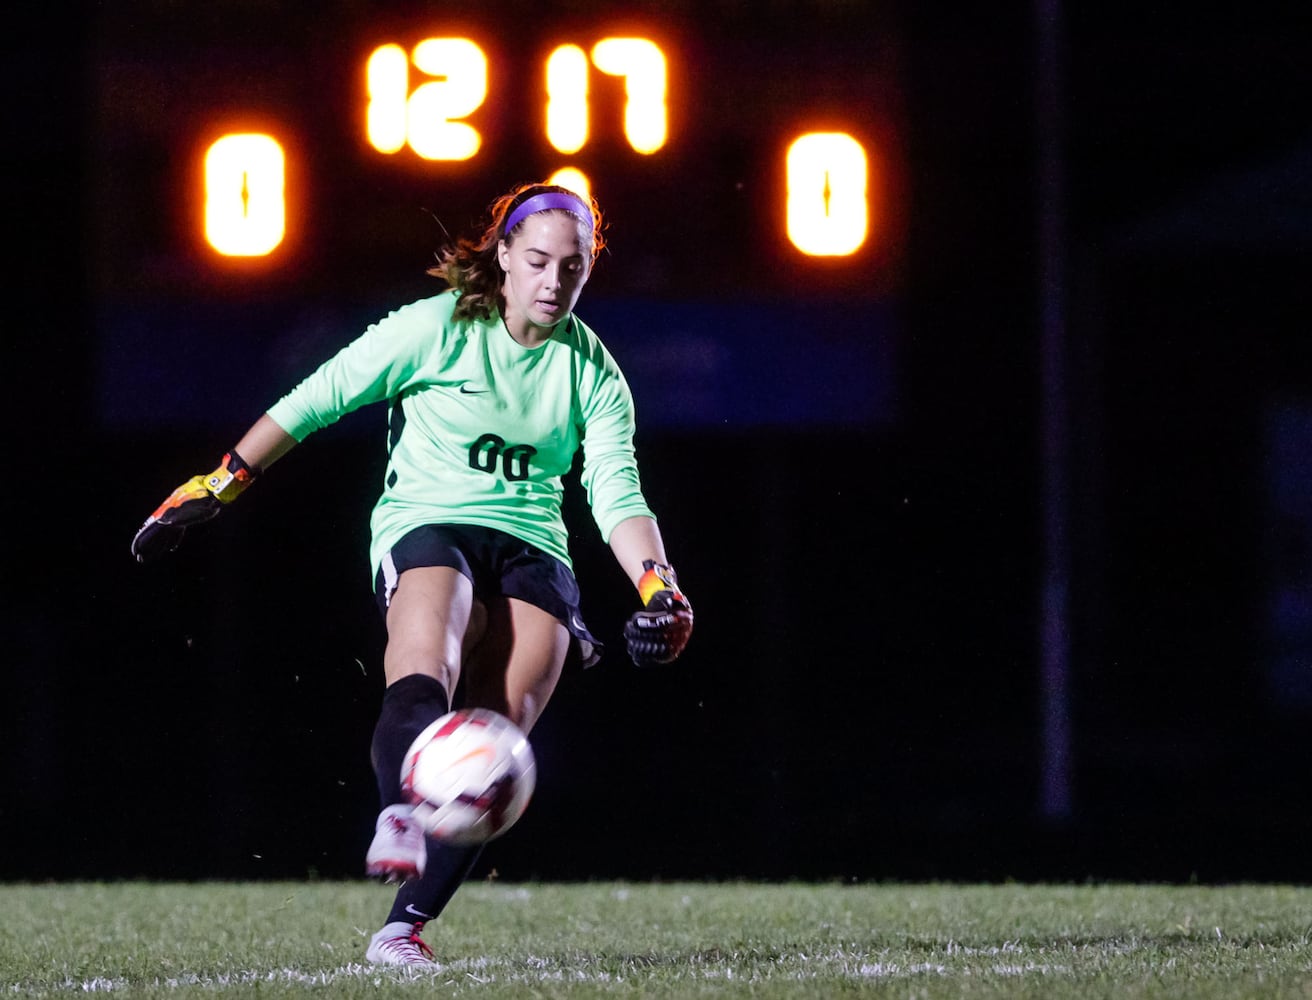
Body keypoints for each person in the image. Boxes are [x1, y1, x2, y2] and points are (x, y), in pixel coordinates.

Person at [130, 182, 694, 967]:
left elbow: (616, 490)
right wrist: (222, 480)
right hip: (430, 521)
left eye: (574, 267)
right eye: (536, 261)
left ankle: (402, 930)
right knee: (428, 660)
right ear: (502, 256)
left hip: (535, 546)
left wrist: (657, 585)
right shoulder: (435, 329)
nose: (553, 282)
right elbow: (320, 397)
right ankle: (399, 810)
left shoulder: (593, 374)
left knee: (497, 755)